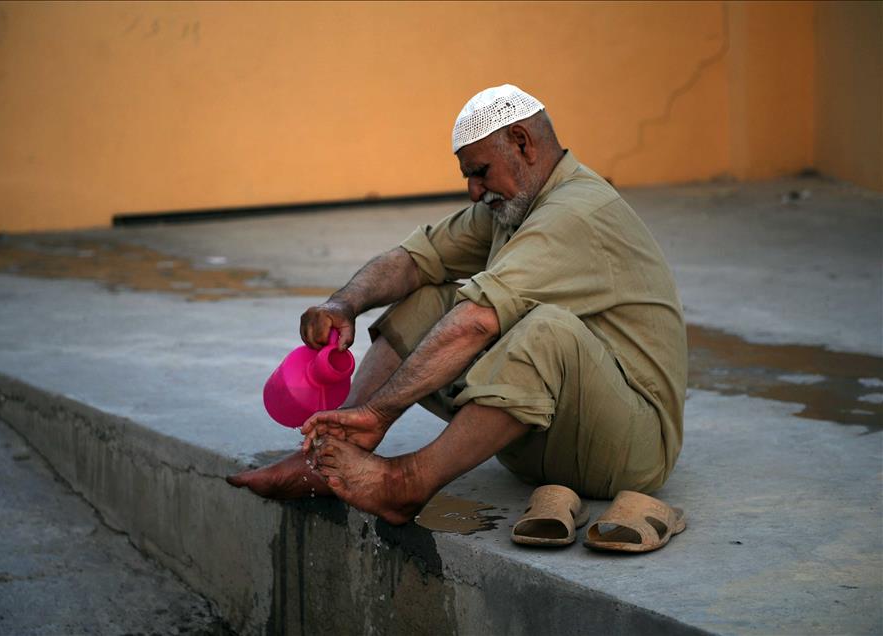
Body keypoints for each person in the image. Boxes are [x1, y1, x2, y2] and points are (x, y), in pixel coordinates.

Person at [227, 85, 687, 526]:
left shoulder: (577, 212)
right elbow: (415, 260)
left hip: (629, 450)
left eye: (480, 172)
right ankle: (328, 454)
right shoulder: (517, 204)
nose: (474, 191)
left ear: (522, 142)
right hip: (550, 438)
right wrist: (344, 303)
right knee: (429, 300)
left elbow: (477, 322)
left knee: (541, 329)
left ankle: (406, 482)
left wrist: (380, 411)